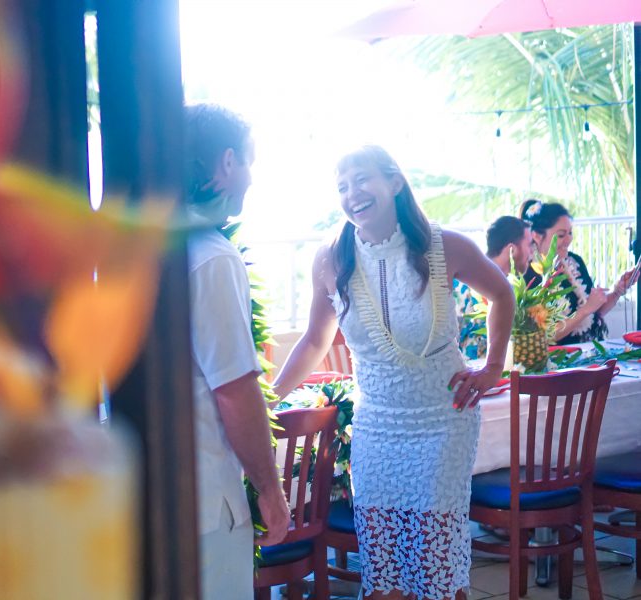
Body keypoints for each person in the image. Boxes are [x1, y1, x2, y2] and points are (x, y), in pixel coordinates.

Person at [273, 145, 514, 600]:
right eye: (342, 187)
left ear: (395, 183)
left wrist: (492, 367)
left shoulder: (446, 246)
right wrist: (268, 399)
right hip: (376, 428)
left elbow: (502, 293)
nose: (352, 194)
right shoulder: (330, 258)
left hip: (444, 420)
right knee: (383, 564)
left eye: (362, 179)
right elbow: (313, 342)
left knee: (434, 558)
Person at [184, 103, 290, 600]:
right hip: (206, 500)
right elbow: (234, 391)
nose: (250, 178)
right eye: (248, 162)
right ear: (227, 164)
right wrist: (269, 491)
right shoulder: (210, 256)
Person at [519, 199, 638, 344]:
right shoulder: (529, 275)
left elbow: (595, 313)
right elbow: (545, 336)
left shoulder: (574, 262)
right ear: (537, 236)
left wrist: (618, 289)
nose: (568, 240)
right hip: (559, 360)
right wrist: (585, 310)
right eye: (561, 235)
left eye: (570, 233)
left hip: (590, 351)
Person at [456, 216, 532, 358]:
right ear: (512, 250)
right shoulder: (464, 286)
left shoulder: (514, 287)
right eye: (529, 245)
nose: (532, 253)